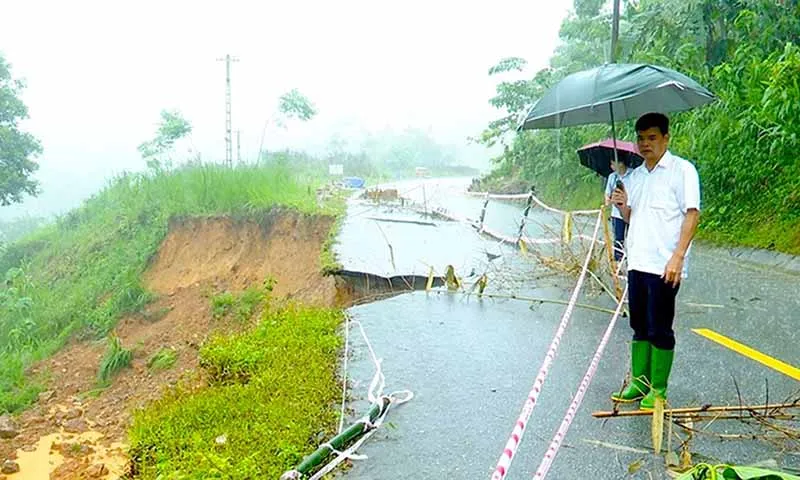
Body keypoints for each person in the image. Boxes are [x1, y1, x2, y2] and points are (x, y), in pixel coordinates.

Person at [609, 112, 700, 410]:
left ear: (665, 138)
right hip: (638, 262)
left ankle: (658, 390)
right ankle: (640, 382)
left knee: (660, 326)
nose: (645, 144)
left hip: (665, 265)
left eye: (651, 138)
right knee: (639, 325)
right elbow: (634, 218)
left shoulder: (682, 171)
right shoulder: (634, 177)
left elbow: (692, 214)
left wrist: (678, 257)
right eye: (641, 138)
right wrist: (623, 207)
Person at [604, 159, 634, 262]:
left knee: (632, 239)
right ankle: (618, 264)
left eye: (613, 163)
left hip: (631, 212)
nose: (611, 166)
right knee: (618, 240)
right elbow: (607, 194)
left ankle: (632, 263)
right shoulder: (612, 177)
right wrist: (609, 200)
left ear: (620, 163)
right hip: (616, 214)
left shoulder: (634, 174)